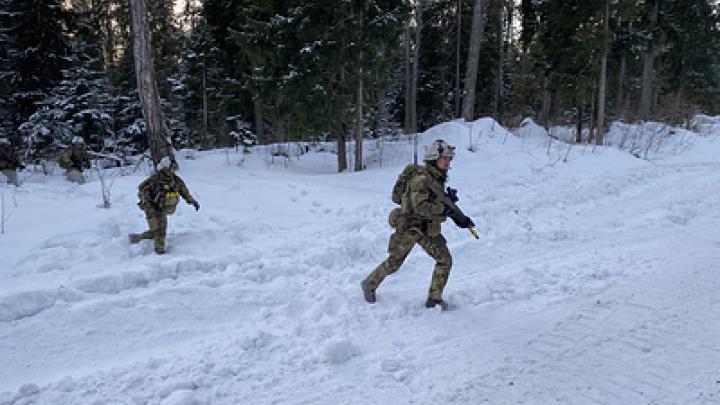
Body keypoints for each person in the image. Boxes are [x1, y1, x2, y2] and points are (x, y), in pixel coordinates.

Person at [360, 139, 474, 310]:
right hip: (409, 227)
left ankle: (434, 299)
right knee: (394, 262)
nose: (448, 162)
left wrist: (459, 217)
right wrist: (443, 209)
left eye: (450, 159)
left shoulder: (436, 177)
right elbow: (420, 207)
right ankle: (369, 283)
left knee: (444, 259)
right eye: (445, 158)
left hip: (427, 228)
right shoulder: (421, 179)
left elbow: (435, 204)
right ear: (434, 158)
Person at [129, 157, 200, 254]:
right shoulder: (155, 179)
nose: (173, 172)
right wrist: (147, 200)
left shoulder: (176, 180)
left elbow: (184, 192)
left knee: (156, 231)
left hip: (163, 208)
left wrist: (192, 201)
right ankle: (160, 252)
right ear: (165, 169)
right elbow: (141, 189)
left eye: (174, 169)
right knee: (160, 230)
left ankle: (137, 238)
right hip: (151, 207)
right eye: (171, 169)